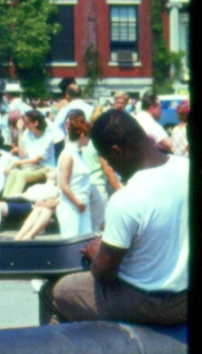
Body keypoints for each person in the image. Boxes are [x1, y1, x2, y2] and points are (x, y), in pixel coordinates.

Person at [39, 111, 188, 328]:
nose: (111, 168)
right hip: (184, 298)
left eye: (108, 160)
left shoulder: (126, 199)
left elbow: (104, 274)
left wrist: (96, 254)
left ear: (117, 152)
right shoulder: (187, 168)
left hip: (149, 303)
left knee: (52, 292)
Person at [51, 110, 104, 239]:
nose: (88, 140)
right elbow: (63, 184)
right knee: (71, 241)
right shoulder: (68, 155)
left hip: (82, 205)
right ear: (81, 136)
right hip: (71, 207)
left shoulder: (77, 154)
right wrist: (77, 203)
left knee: (84, 241)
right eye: (88, 136)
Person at [2, 108, 56, 197]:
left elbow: (36, 160)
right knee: (13, 172)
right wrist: (19, 132)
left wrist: (14, 162)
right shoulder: (27, 133)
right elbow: (22, 155)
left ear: (35, 123)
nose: (25, 126)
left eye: (27, 123)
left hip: (45, 168)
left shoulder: (48, 138)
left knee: (22, 174)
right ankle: (5, 198)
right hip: (32, 166)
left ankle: (13, 200)